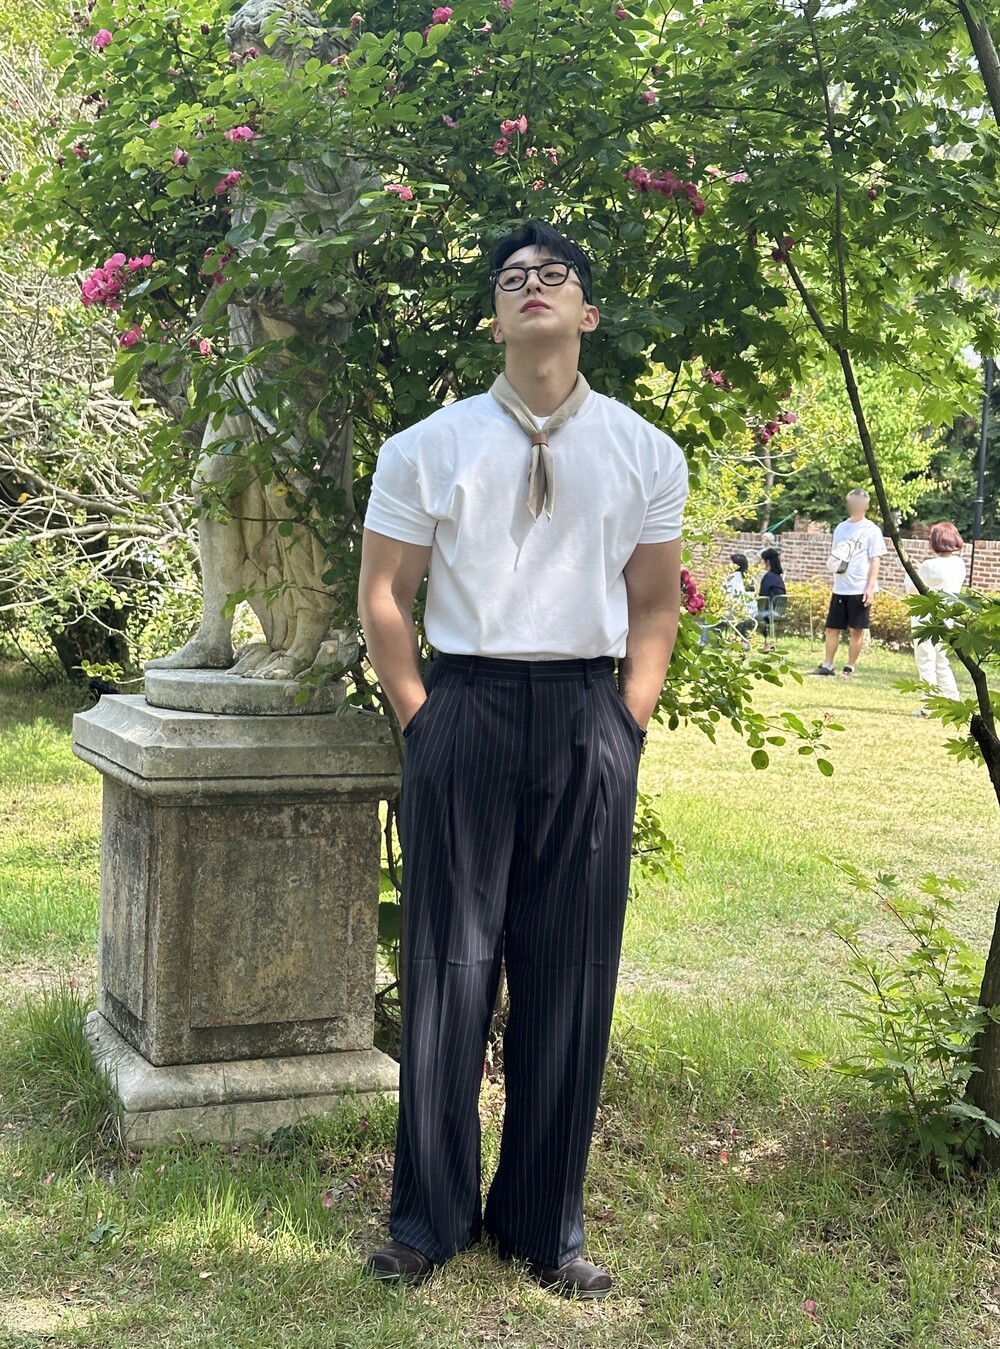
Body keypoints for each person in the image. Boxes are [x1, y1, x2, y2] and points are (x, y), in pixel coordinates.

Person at [357, 221, 688, 1300]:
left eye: (554, 276)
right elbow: (383, 596)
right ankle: (428, 1216)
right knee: (447, 968)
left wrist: (626, 723)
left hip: (588, 712)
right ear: (496, 319)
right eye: (513, 279)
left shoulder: (644, 451)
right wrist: (423, 719)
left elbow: (653, 603)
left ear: (586, 311)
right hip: (466, 704)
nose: (532, 286)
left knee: (572, 972)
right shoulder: (428, 446)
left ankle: (544, 1223)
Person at [809, 488, 886, 678]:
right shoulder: (840, 528)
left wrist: (870, 588)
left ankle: (850, 667)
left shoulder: (872, 530)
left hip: (860, 587)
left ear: (866, 506)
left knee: (856, 630)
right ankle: (827, 665)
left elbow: (875, 559)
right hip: (840, 587)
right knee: (832, 628)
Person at [904, 521, 966, 715]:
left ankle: (929, 706)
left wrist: (910, 571)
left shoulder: (929, 565)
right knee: (942, 661)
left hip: (925, 620)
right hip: (946, 618)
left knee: (926, 662)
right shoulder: (959, 564)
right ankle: (953, 700)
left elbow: (912, 588)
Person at [757, 547, 786, 649]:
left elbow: (762, 596)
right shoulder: (778, 577)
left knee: (745, 616)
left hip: (769, 612)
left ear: (768, 561)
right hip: (779, 611)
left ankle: (744, 641)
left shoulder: (769, 576)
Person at [721, 552, 756, 637]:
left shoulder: (730, 578)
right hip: (752, 612)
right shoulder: (751, 579)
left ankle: (707, 640)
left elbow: (725, 597)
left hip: (735, 612)